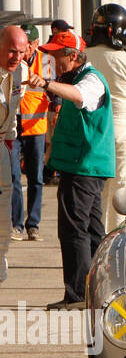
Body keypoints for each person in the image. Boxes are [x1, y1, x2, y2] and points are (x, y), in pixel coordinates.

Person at [26, 31, 115, 309]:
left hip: (84, 167)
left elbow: (79, 97)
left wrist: (48, 84)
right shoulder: (76, 77)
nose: (52, 60)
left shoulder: (90, 80)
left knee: (74, 229)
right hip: (83, 166)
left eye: (57, 56)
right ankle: (95, 293)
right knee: (90, 230)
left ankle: (78, 295)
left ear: (73, 56)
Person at [85, 4, 126, 230]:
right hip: (123, 127)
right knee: (123, 188)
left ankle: (97, 242)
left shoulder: (84, 57)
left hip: (93, 129)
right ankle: (118, 240)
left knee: (96, 191)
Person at [12, 27, 51, 241]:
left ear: (35, 44)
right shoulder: (11, 60)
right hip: (14, 124)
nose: (22, 49)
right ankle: (16, 225)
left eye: (26, 44)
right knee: (13, 176)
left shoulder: (47, 62)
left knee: (36, 177)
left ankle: (33, 224)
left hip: (36, 126)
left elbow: (54, 90)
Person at [0, 26, 28, 283]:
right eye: (11, 51)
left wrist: (10, 141)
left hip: (4, 145)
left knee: (5, 204)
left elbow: (14, 111)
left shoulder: (22, 71)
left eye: (20, 52)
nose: (16, 57)